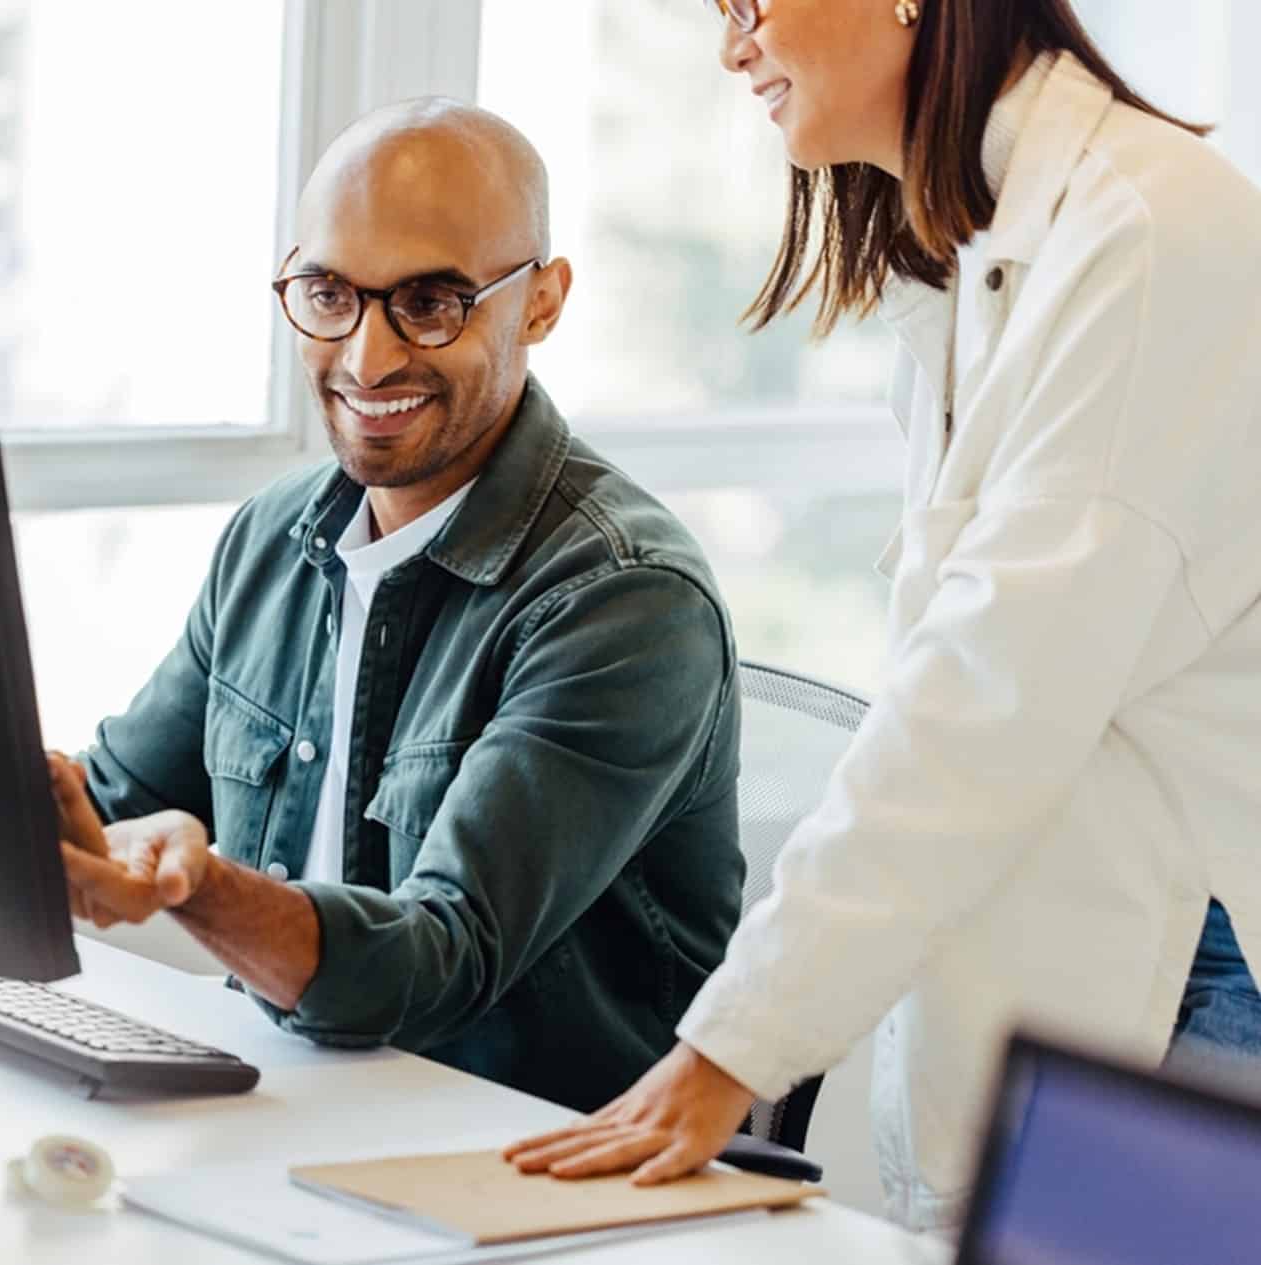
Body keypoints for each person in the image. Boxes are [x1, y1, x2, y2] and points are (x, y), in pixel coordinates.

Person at [506, 0, 1261, 1231]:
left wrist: (731, 1049)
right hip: (1094, 968)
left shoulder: (1146, 232)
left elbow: (983, 696)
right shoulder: (983, 253)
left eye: (749, 2)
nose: (730, 45)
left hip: (1195, 987)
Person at [45, 98, 745, 1113]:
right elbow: (108, 800)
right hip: (286, 1125)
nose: (367, 358)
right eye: (329, 293)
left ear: (541, 302)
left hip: (521, 1178)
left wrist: (198, 887)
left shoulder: (625, 599)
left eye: (430, 302)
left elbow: (438, 962)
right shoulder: (274, 537)